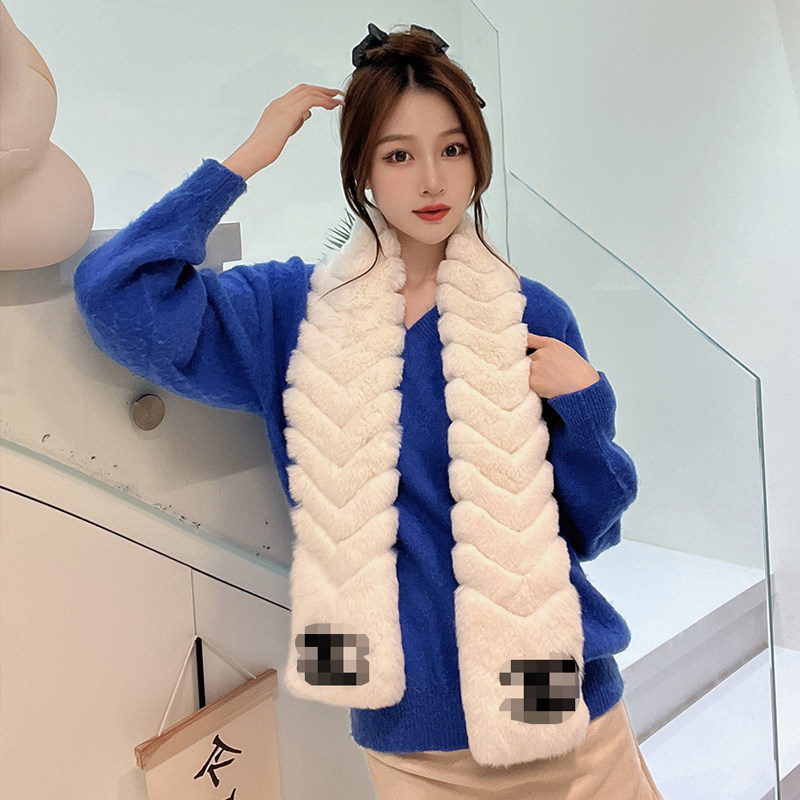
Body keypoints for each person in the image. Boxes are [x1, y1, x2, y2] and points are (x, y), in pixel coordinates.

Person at [74, 23, 663, 800]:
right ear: (361, 169)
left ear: (479, 159)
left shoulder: (530, 316)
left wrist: (584, 409)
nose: (433, 180)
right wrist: (246, 158)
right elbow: (118, 294)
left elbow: (594, 530)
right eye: (399, 155)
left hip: (561, 714)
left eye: (453, 149)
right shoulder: (294, 313)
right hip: (410, 737)